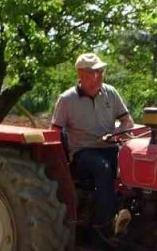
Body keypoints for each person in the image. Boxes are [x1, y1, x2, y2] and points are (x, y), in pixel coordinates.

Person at [51, 52, 133, 237]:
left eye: (100, 72)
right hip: (83, 151)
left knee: (133, 166)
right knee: (102, 168)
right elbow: (55, 132)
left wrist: (117, 133)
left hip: (111, 146)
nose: (98, 77)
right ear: (80, 75)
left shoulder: (110, 93)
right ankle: (103, 225)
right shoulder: (67, 100)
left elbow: (127, 121)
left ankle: (131, 216)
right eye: (92, 73)